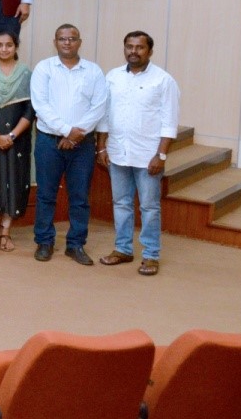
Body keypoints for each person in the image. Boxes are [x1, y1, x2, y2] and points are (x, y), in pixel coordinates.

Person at [97, 31, 180, 277]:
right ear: (124, 49)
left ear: (150, 51)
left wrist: (161, 155)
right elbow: (104, 115)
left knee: (149, 207)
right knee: (121, 204)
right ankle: (123, 249)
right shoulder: (112, 77)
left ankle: (151, 255)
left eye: (140, 47)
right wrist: (101, 146)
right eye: (130, 46)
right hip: (117, 153)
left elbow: (169, 122)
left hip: (148, 156)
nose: (134, 51)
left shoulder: (164, 81)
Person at [30, 24, 109, 266]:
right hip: (48, 142)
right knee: (46, 194)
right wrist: (66, 131)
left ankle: (75, 245)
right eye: (62, 39)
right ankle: (44, 241)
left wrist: (76, 135)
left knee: (80, 197)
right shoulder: (44, 68)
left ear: (79, 42)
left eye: (72, 39)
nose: (67, 43)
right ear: (55, 42)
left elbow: (99, 107)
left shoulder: (93, 72)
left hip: (82, 145)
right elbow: (40, 105)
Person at [0, 30, 34, 253]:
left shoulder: (26, 74)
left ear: (16, 46)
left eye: (8, 45)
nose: (4, 49)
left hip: (17, 139)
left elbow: (31, 109)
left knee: (14, 179)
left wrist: (11, 136)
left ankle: (6, 232)